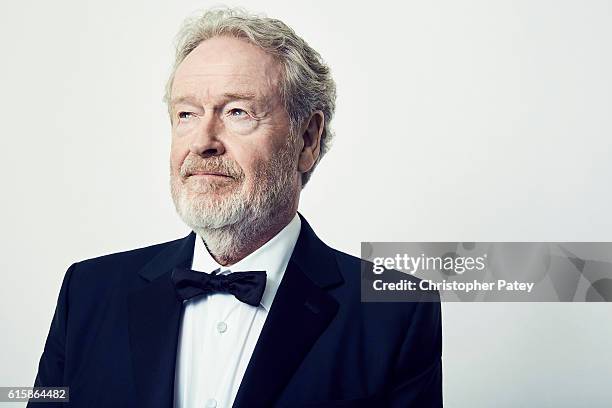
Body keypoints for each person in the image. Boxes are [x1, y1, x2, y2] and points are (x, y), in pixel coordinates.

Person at [29, 7, 442, 408]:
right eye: (186, 113)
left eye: (237, 111)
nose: (203, 140)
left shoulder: (396, 312)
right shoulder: (86, 292)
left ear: (308, 139)